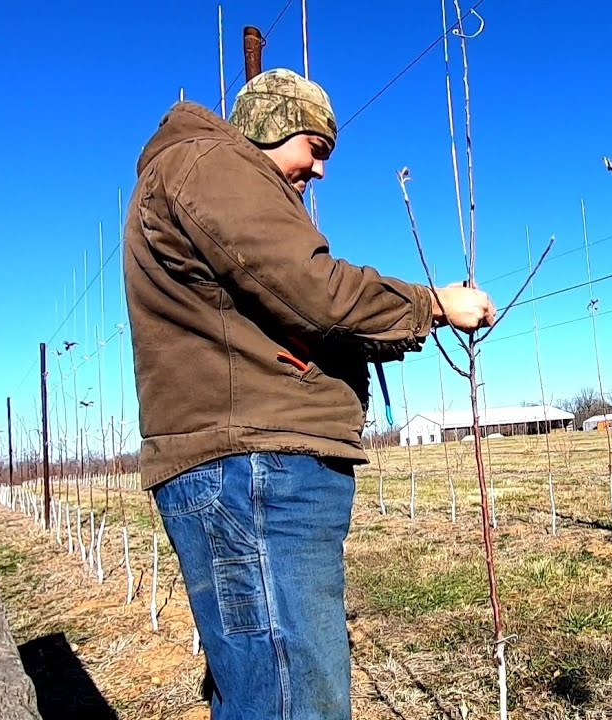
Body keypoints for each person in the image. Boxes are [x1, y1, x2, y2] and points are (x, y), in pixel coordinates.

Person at [123, 68, 495, 720]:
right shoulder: (212, 165)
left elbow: (281, 315)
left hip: (243, 466)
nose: (320, 170)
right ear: (273, 126)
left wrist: (378, 339)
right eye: (316, 148)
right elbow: (314, 292)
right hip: (256, 469)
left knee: (264, 686)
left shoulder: (197, 175)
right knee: (292, 696)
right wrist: (434, 304)